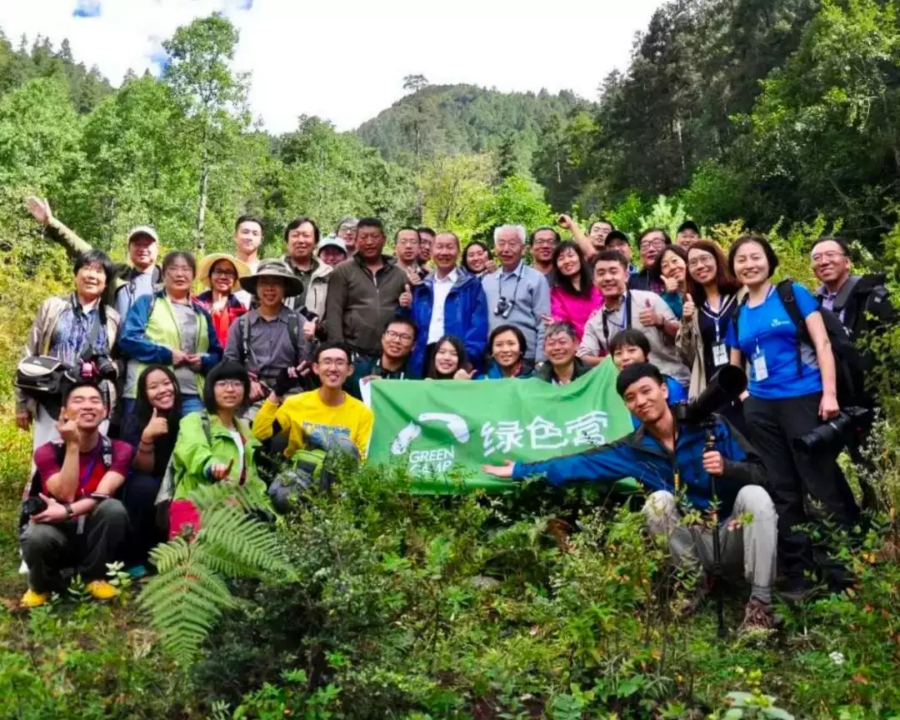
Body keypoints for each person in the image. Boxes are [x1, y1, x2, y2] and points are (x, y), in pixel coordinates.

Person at [482, 363, 778, 633]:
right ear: (626, 405)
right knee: (658, 502)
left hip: (731, 533)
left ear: (663, 390)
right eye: (631, 397)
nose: (641, 401)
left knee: (755, 495)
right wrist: (520, 469)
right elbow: (578, 463)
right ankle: (692, 585)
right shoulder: (633, 449)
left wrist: (729, 468)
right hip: (691, 542)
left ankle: (759, 605)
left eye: (647, 390)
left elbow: (764, 474)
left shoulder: (710, 425)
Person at [726, 235, 858, 596]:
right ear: (734, 268)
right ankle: (800, 573)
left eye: (755, 257)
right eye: (741, 260)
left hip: (804, 398)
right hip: (762, 408)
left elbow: (823, 345)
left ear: (769, 261)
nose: (749, 264)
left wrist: (829, 393)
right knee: (783, 489)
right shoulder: (738, 312)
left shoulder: (792, 293)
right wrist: (745, 396)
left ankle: (842, 568)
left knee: (820, 480)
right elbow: (736, 366)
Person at [20, 382, 133, 608]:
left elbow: (103, 494)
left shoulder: (120, 450)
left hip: (93, 533)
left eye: (94, 401)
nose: (88, 406)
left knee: (113, 509)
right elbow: (65, 493)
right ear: (64, 413)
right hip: (56, 532)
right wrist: (72, 444)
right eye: (78, 400)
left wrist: (66, 510)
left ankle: (94, 576)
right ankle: (42, 585)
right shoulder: (47, 452)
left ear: (105, 411)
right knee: (35, 536)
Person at [17, 250, 120, 451]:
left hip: (95, 404)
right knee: (46, 463)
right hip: (51, 399)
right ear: (76, 275)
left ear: (106, 282)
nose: (91, 275)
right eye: (86, 268)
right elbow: (30, 355)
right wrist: (22, 404)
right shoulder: (53, 307)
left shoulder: (111, 318)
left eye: (99, 271)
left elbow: (117, 360)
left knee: (87, 466)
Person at [118, 251, 223, 435]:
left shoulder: (201, 313)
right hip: (148, 394)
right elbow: (128, 340)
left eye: (185, 269)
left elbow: (216, 353)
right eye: (173, 269)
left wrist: (204, 361)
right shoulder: (148, 303)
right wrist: (166, 355)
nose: (179, 274)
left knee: (194, 449)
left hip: (191, 394)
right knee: (142, 449)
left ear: (193, 275)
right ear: (164, 274)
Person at [169, 362, 266, 539]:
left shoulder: (245, 430)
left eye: (237, 384)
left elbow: (253, 479)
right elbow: (192, 450)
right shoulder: (194, 420)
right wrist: (212, 467)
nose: (230, 389)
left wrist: (270, 512)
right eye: (222, 384)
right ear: (210, 390)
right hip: (195, 504)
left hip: (231, 511)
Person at [26, 197, 161, 319]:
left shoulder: (167, 279)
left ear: (157, 248)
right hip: (115, 346)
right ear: (129, 248)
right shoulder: (117, 274)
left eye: (147, 244)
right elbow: (85, 251)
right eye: (137, 244)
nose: (142, 249)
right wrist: (51, 223)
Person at [579, 251, 689, 386]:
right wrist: (612, 359)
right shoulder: (595, 322)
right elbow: (582, 358)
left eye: (613, 271)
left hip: (666, 377)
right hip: (627, 388)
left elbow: (683, 336)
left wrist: (661, 322)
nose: (607, 278)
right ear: (594, 281)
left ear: (626, 276)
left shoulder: (649, 300)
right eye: (601, 273)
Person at [223, 260, 313, 419]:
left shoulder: (298, 322)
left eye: (276, 283)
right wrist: (247, 382)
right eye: (264, 282)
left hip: (290, 393)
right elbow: (230, 363)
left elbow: (306, 364)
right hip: (252, 394)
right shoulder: (241, 324)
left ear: (285, 288)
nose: (270, 288)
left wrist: (311, 340)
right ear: (256, 288)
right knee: (246, 432)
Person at [254, 342, 374, 459]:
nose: (333, 368)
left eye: (340, 363)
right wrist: (277, 392)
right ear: (316, 368)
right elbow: (260, 433)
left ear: (350, 370)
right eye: (327, 362)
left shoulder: (362, 412)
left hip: (340, 476)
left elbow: (363, 458)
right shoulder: (296, 403)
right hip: (297, 473)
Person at [122, 365, 182, 571]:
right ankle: (138, 557)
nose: (163, 390)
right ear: (144, 394)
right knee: (144, 488)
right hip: (148, 482)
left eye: (167, 383)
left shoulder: (187, 418)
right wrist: (148, 437)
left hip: (179, 480)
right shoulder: (135, 421)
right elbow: (142, 468)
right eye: (154, 387)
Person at [325, 218, 409, 359]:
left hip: (389, 353)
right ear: (356, 241)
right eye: (364, 237)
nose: (369, 242)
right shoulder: (343, 271)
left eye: (375, 237)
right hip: (353, 350)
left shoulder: (398, 274)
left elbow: (405, 314)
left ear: (384, 239)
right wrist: (339, 350)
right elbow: (334, 312)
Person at [407, 231, 489, 376]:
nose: (444, 252)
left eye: (449, 247)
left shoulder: (471, 285)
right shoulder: (422, 286)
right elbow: (412, 324)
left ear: (458, 251)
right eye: (439, 247)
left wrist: (466, 360)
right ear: (432, 251)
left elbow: (478, 326)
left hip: (457, 358)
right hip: (424, 358)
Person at [677, 241, 742, 399]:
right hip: (712, 387)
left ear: (717, 260)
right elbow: (687, 356)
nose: (699, 266)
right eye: (693, 263)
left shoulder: (741, 296)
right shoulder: (694, 307)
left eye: (705, 259)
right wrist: (686, 322)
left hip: (746, 381)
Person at [482, 225, 551, 365]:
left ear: (523, 249)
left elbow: (543, 324)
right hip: (493, 358)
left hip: (527, 358)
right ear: (495, 248)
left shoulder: (536, 279)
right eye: (501, 244)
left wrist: (541, 361)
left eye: (512, 244)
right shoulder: (487, 281)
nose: (506, 249)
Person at [609, 329, 687, 413]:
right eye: (618, 353)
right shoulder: (608, 393)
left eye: (631, 350)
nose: (625, 358)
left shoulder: (668, 384)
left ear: (646, 354)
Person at [346, 318, 419, 399]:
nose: (397, 340)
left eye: (405, 337)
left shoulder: (414, 382)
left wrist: (384, 387)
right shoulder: (358, 371)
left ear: (413, 346)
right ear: (383, 338)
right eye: (392, 334)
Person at [549, 241, 603, 341]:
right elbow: (560, 319)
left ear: (580, 258)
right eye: (561, 259)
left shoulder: (598, 285)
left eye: (571, 255)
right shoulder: (556, 293)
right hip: (575, 348)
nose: (566, 261)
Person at [194, 253, 250, 347]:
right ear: (210, 276)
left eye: (229, 273)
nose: (223, 277)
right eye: (218, 271)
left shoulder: (241, 312)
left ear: (235, 278)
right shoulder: (195, 305)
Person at [232, 215, 265, 307]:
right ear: (235, 236)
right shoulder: (224, 269)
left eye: (255, 234)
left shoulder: (265, 271)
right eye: (245, 232)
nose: (249, 237)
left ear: (261, 239)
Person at [653, 245, 689, 319]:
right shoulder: (661, 301)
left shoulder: (703, 286)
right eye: (665, 266)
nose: (672, 267)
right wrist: (670, 295)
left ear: (685, 261)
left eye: (674, 261)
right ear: (661, 274)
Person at [629, 228, 671, 293]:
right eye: (644, 245)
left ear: (669, 247)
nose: (651, 249)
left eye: (657, 243)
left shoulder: (680, 273)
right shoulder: (632, 282)